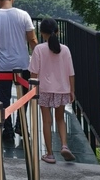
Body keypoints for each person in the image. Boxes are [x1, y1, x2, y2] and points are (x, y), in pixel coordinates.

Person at [0, 0, 36, 145]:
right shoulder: (23, 15)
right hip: (23, 63)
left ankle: (8, 129)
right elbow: (32, 39)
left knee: (4, 98)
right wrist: (38, 60)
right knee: (24, 96)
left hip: (3, 65)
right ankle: (21, 124)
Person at [29, 18, 76, 163]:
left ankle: (49, 154)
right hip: (62, 89)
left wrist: (32, 90)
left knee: (46, 121)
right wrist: (72, 91)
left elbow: (33, 73)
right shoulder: (65, 49)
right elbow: (71, 73)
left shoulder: (39, 49)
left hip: (44, 89)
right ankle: (64, 145)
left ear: (42, 33)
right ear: (57, 31)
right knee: (60, 119)